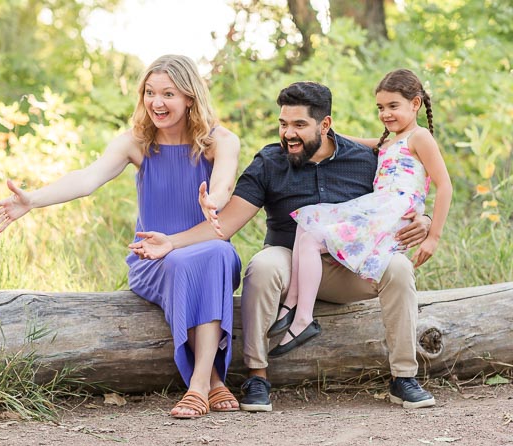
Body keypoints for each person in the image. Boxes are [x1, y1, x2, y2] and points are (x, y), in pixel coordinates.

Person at [130, 80, 437, 412]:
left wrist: (425, 220)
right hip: (289, 262)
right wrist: (170, 242)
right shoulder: (270, 162)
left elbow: (403, 188)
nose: (289, 133)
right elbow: (227, 223)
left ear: (325, 125)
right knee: (262, 265)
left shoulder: (365, 159)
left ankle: (403, 377)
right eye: (283, 124)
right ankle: (257, 375)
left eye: (300, 125)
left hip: (348, 265)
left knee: (399, 268)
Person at [0, 55, 242, 419]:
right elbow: (87, 179)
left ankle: (199, 386)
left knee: (215, 252)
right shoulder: (137, 142)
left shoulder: (221, 140)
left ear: (189, 98)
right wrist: (34, 199)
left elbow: (224, 181)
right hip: (152, 257)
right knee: (192, 261)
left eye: (168, 93)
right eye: (150, 92)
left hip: (202, 251)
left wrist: (212, 201)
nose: (157, 102)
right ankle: (212, 382)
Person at [269, 69, 452, 361]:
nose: (385, 114)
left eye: (393, 106)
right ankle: (293, 304)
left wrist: (433, 235)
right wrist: (318, 130)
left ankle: (302, 317)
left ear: (415, 104)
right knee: (307, 222)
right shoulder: (390, 142)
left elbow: (445, 186)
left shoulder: (421, 138)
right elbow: (348, 141)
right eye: (381, 107)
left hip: (391, 215)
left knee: (312, 238)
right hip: (378, 208)